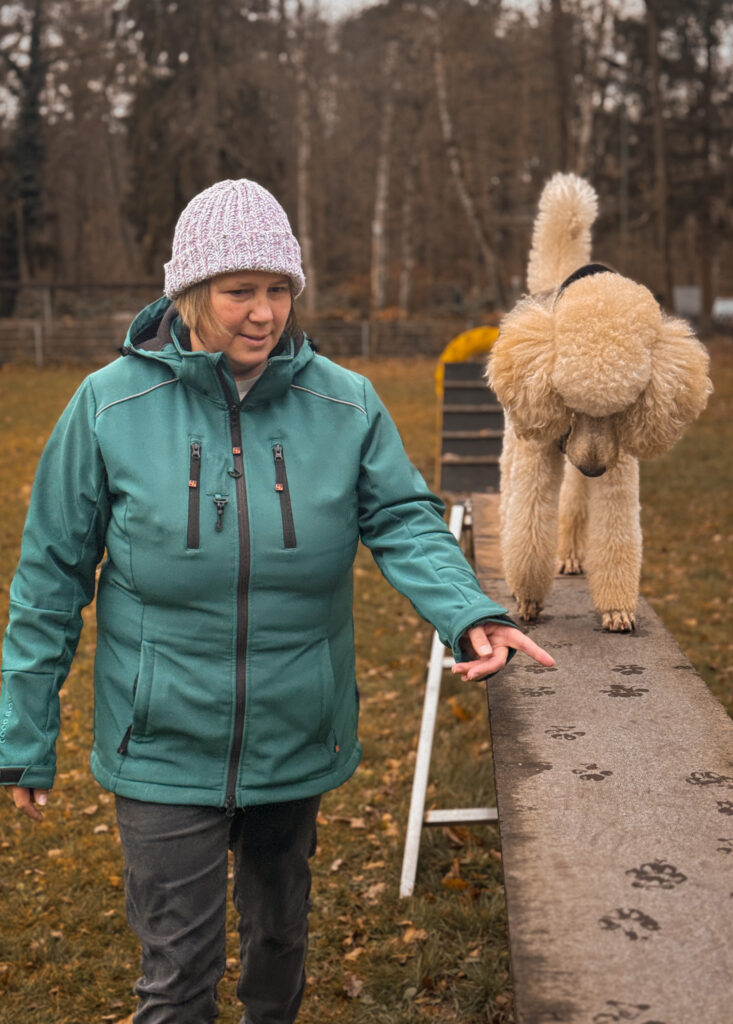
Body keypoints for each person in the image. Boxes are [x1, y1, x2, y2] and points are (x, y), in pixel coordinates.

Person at [0, 179, 554, 1024]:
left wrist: (470, 611)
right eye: (239, 292)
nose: (263, 313)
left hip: (296, 730)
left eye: (279, 290)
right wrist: (23, 736)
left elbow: (403, 519)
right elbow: (48, 578)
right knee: (178, 975)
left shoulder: (345, 403)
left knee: (278, 951)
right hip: (160, 739)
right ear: (189, 292)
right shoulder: (108, 406)